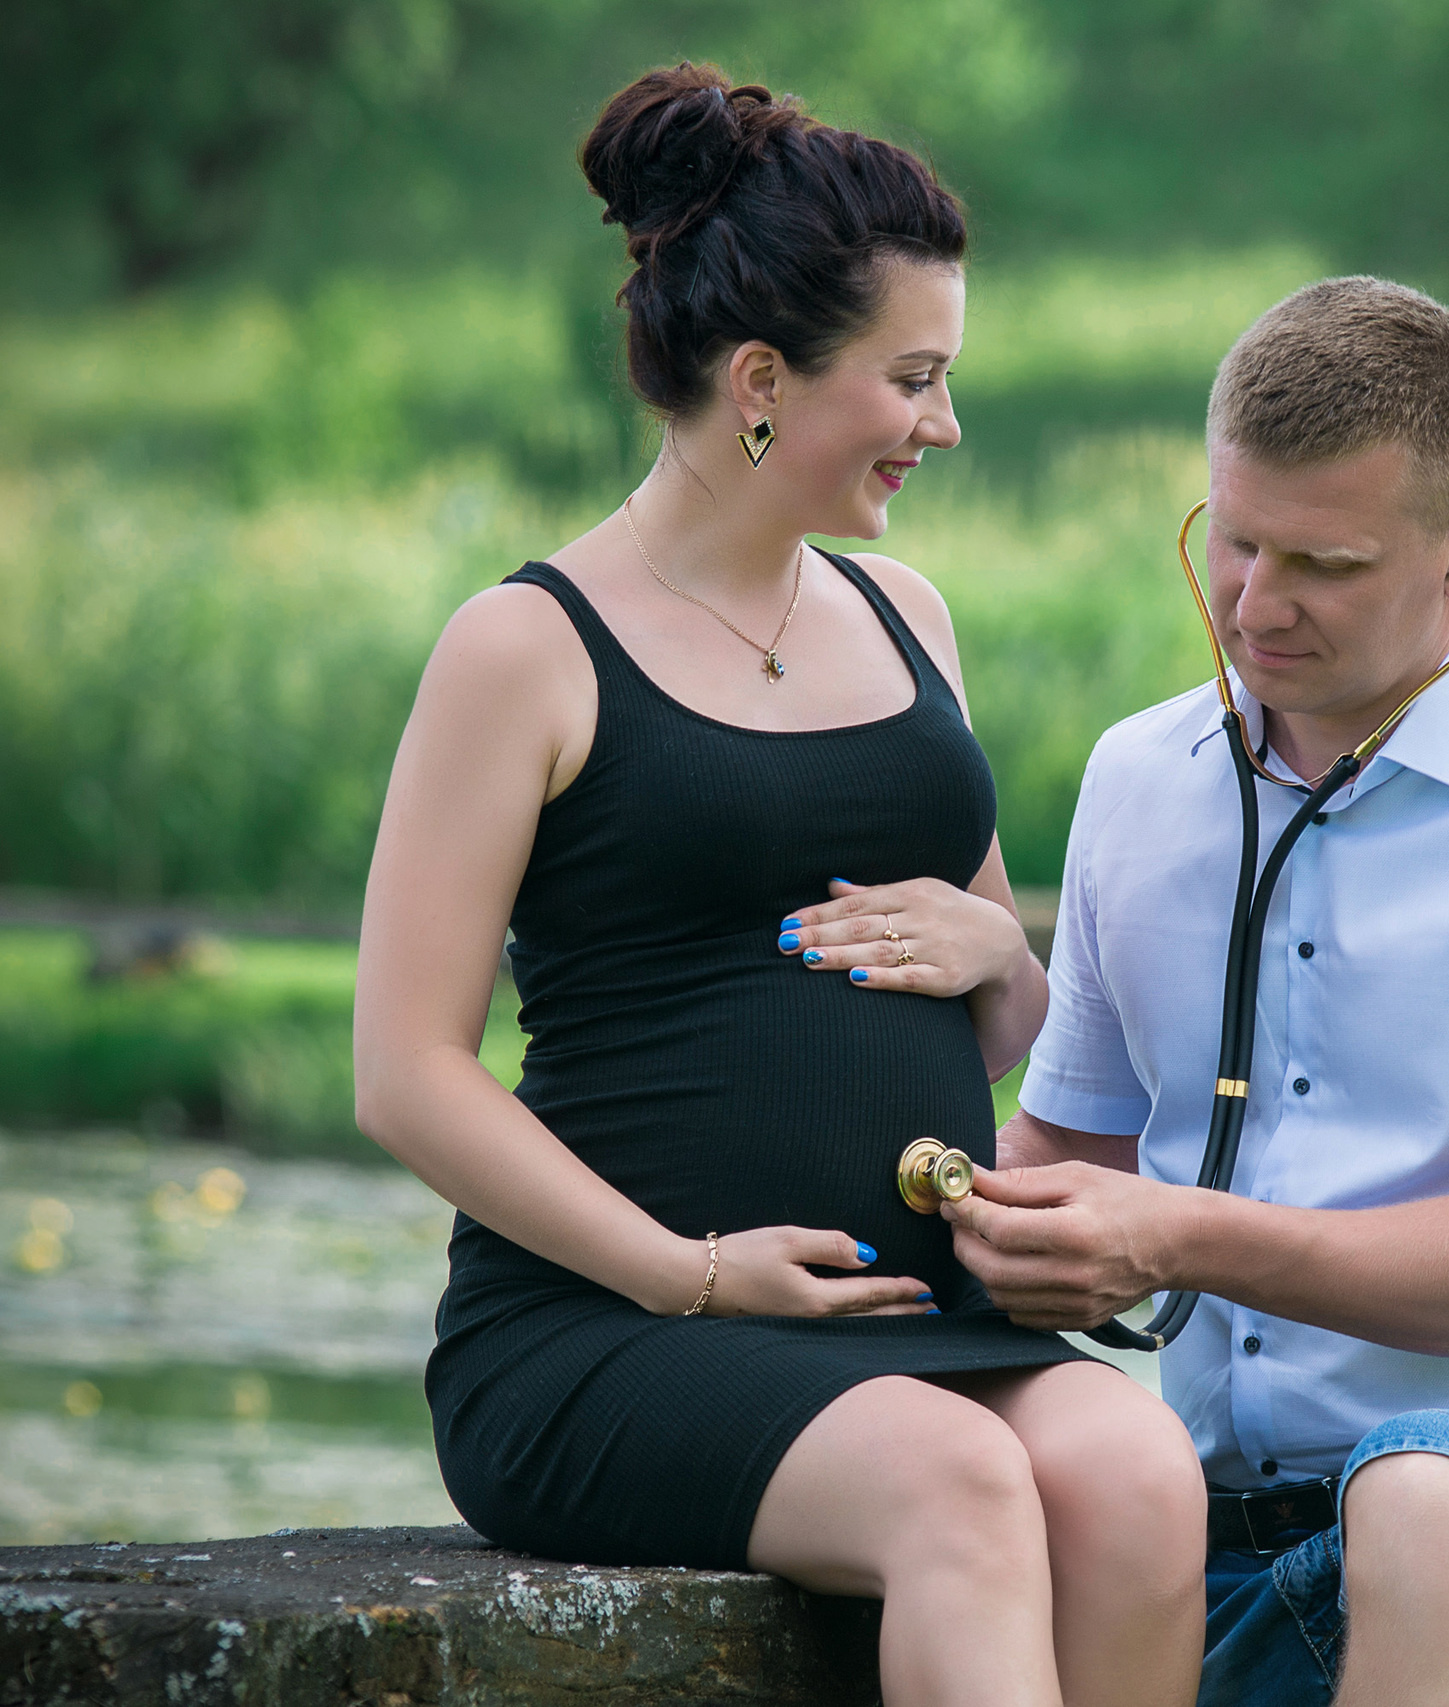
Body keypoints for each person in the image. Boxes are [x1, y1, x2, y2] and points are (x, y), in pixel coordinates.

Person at [351, 63, 1204, 1707]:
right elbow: (405, 1075)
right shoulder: (525, 648)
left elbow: (999, 1018)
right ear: (760, 379)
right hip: (614, 1329)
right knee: (958, 1488)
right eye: (913, 378)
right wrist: (693, 1271)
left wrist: (992, 952)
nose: (944, 425)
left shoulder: (906, 620)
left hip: (909, 1311)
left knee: (1139, 1471)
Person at [940, 277, 1449, 1707]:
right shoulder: (1142, 775)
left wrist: (1191, 1236)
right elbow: (1066, 1161)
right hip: (1204, 1532)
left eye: (1323, 564)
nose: (1257, 607)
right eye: (1232, 541)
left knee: (1422, 1490)